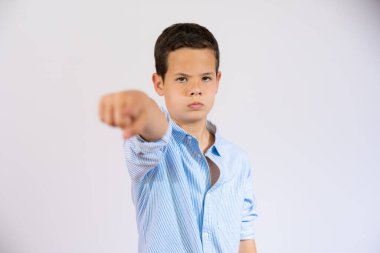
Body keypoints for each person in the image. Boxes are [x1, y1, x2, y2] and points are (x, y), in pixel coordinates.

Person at [98, 23, 258, 253]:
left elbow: (245, 237)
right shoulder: (153, 149)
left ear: (217, 81)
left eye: (205, 78)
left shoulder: (237, 160)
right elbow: (154, 127)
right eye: (182, 79)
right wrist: (141, 104)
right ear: (159, 83)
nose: (195, 89)